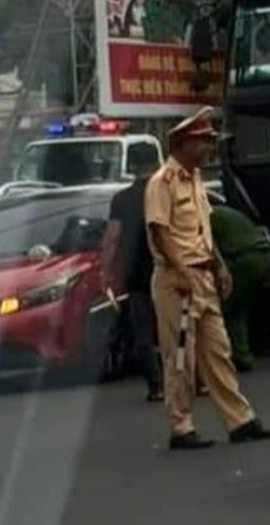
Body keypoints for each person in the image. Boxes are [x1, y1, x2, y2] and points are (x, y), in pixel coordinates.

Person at [145, 106, 270, 450]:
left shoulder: (195, 182)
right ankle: (182, 427)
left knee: (218, 352)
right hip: (177, 281)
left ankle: (240, 421)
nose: (208, 148)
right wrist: (181, 272)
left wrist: (219, 266)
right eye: (202, 141)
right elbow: (160, 233)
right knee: (180, 358)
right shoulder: (162, 182)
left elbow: (203, 231)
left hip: (202, 276)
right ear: (181, 144)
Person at [100, 169, 164, 402]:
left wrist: (105, 271)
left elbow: (111, 238)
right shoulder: (166, 194)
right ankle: (190, 381)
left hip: (137, 275)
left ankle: (156, 386)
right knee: (178, 330)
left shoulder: (122, 199)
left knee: (143, 335)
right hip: (168, 269)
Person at [211, 203, 270, 371]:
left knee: (228, 308)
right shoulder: (227, 212)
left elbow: (208, 247)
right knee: (240, 305)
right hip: (267, 255)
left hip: (247, 260)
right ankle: (243, 353)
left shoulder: (205, 217)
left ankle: (237, 356)